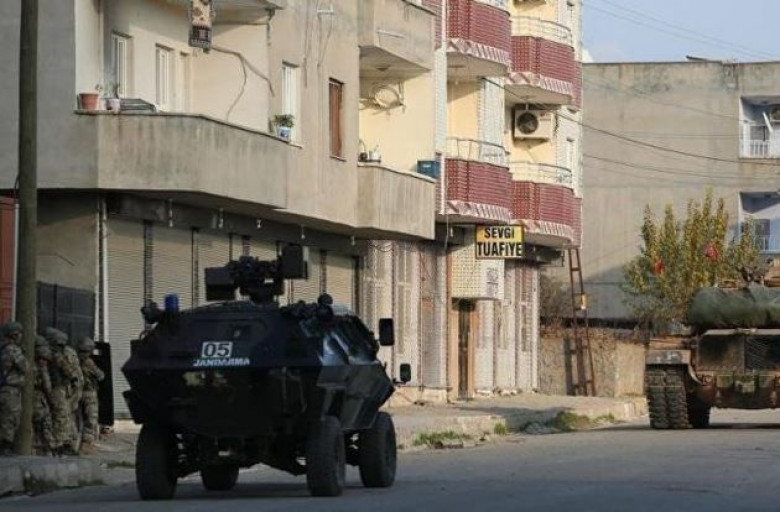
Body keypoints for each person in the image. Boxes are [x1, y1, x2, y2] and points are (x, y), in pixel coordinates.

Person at [46, 328, 82, 456]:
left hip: (57, 388)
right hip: (57, 388)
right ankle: (59, 444)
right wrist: (74, 378)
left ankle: (64, 443)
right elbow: (68, 370)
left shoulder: (49, 352)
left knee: (63, 415)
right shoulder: (56, 354)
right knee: (61, 415)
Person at [0, 322, 27, 456]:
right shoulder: (13, 349)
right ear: (15, 335)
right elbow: (25, 366)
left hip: (4, 388)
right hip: (10, 389)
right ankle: (5, 447)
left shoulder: (3, 347)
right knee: (10, 418)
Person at [77, 337, 104, 455]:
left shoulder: (75, 359)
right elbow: (100, 376)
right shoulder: (88, 362)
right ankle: (87, 445)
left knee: (78, 419)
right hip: (88, 393)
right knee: (91, 419)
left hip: (77, 392)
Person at [33, 336, 57, 456]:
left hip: (30, 398)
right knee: (46, 424)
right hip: (38, 399)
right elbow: (47, 386)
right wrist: (52, 400)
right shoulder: (41, 368)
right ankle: (49, 449)